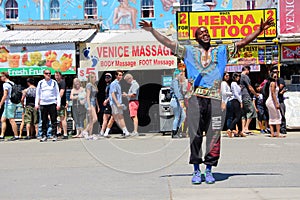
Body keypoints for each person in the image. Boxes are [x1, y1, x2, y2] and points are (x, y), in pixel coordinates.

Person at [139, 17, 274, 184]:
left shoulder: (221, 51)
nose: (205, 34)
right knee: (195, 135)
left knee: (214, 135)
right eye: (201, 32)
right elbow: (168, 43)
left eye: (207, 32)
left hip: (215, 100)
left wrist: (259, 30)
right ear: (196, 38)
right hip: (196, 99)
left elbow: (242, 43)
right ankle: (196, 170)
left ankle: (209, 170)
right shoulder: (189, 51)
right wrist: (152, 31)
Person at [35, 69, 61, 142]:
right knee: (44, 120)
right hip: (43, 103)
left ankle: (54, 135)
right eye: (47, 73)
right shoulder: (40, 83)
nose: (48, 74)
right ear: (44, 74)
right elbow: (38, 94)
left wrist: (58, 103)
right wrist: (36, 104)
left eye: (49, 73)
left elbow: (57, 94)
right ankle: (44, 135)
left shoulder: (54, 82)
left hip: (52, 103)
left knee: (53, 120)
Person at [109, 70, 130, 137]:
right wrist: (117, 103)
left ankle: (124, 131)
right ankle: (125, 131)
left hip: (118, 102)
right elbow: (112, 93)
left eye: (121, 75)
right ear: (116, 76)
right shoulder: (114, 83)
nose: (121, 76)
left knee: (119, 117)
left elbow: (117, 94)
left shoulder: (118, 83)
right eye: (119, 75)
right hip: (115, 103)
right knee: (119, 117)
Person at [265, 72, 285, 138]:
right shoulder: (273, 83)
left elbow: (275, 93)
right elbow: (273, 93)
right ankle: (278, 133)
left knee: (272, 116)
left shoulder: (273, 83)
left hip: (271, 100)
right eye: (274, 77)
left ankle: (272, 133)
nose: (276, 78)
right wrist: (276, 103)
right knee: (278, 116)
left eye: (276, 76)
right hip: (272, 101)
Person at [0, 72, 19, 141]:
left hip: (9, 104)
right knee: (3, 119)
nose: (1, 78)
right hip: (11, 103)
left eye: (1, 76)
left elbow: (5, 95)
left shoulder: (5, 84)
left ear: (5, 76)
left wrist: (0, 103)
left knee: (11, 119)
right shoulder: (12, 83)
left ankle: (16, 135)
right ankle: (2, 135)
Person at [240, 66, 259, 135]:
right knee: (252, 111)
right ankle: (246, 127)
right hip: (246, 95)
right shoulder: (245, 77)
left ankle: (243, 128)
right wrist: (255, 94)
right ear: (246, 70)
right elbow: (250, 87)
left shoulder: (239, 77)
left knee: (244, 113)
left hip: (241, 96)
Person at [82, 72, 100, 140]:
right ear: (91, 78)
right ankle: (85, 131)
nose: (95, 78)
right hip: (90, 103)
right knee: (95, 119)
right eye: (94, 77)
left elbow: (95, 97)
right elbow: (88, 96)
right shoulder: (89, 85)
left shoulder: (94, 85)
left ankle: (90, 134)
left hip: (94, 102)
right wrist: (89, 106)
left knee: (91, 120)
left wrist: (98, 106)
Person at [270, 65, 287, 134]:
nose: (275, 74)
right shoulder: (271, 81)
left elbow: (280, 87)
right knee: (273, 115)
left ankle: (282, 129)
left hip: (279, 100)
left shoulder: (280, 80)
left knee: (281, 115)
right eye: (274, 72)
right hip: (272, 100)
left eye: (277, 72)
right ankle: (273, 130)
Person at [169, 69, 186, 138]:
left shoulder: (177, 82)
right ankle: (174, 132)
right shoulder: (175, 81)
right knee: (177, 117)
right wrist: (180, 100)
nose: (181, 76)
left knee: (183, 116)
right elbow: (176, 91)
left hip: (177, 100)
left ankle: (176, 130)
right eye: (180, 74)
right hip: (175, 101)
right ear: (177, 75)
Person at [228, 73, 245, 137]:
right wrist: (241, 101)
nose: (238, 78)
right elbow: (235, 94)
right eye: (237, 76)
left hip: (237, 100)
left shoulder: (236, 84)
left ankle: (240, 131)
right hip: (235, 100)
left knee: (239, 116)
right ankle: (230, 129)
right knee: (237, 116)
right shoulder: (233, 83)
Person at [100, 73, 114, 138]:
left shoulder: (111, 85)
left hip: (111, 103)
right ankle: (102, 131)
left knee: (115, 118)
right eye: (106, 77)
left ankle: (124, 130)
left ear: (111, 78)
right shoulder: (107, 85)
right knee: (105, 117)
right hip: (107, 104)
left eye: (108, 77)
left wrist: (107, 100)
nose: (106, 78)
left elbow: (111, 94)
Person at [55, 71, 68, 139]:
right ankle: (58, 132)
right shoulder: (55, 83)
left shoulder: (62, 82)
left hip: (61, 103)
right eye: (55, 75)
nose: (56, 77)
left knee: (62, 118)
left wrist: (57, 101)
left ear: (60, 76)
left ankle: (65, 133)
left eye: (57, 75)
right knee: (57, 119)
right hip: (55, 103)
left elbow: (61, 92)